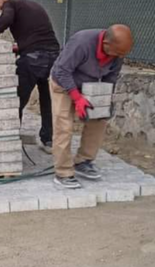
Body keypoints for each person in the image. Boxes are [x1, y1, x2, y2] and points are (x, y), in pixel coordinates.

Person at [49, 24, 133, 189]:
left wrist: (105, 98)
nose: (120, 57)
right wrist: (77, 98)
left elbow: (112, 76)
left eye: (123, 54)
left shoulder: (118, 51)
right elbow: (62, 71)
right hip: (63, 84)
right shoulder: (81, 42)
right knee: (64, 126)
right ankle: (63, 172)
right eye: (118, 53)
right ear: (106, 44)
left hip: (90, 84)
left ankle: (84, 161)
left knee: (99, 119)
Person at [0, 0, 60, 153]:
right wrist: (20, 47)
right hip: (54, 57)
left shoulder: (12, 4)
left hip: (32, 60)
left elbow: (6, 19)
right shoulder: (33, 5)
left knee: (16, 100)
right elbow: (37, 34)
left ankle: (10, 138)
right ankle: (48, 141)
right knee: (47, 101)